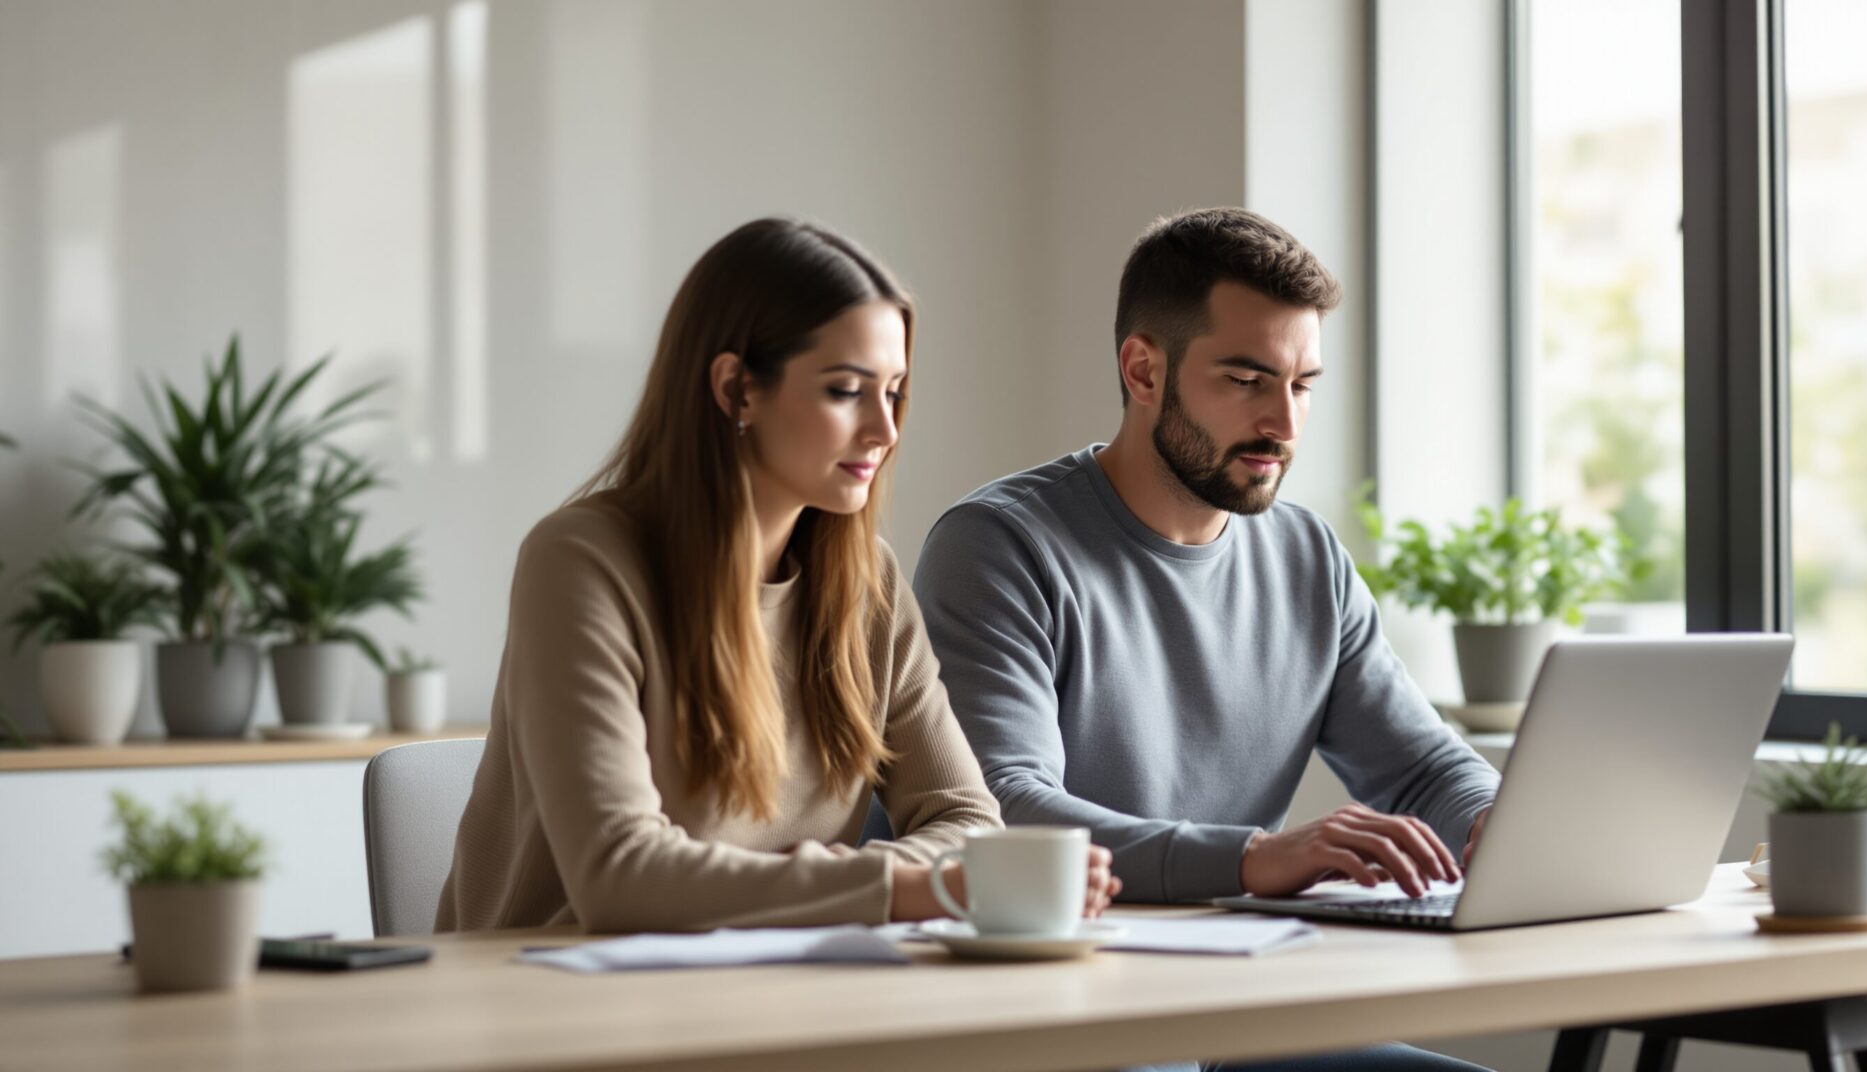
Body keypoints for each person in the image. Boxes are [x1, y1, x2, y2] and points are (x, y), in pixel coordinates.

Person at [913, 208, 1498, 1071]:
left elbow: (1419, 769)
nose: (1285, 426)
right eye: (1247, 380)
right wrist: (1255, 859)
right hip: (1053, 1019)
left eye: (1301, 385)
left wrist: (1494, 823)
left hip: (1230, 1011)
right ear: (1143, 369)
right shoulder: (998, 545)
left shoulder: (1307, 557)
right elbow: (1005, 808)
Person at [438, 217, 1117, 934]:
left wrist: (849, 883)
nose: (884, 431)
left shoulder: (868, 584)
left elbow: (967, 817)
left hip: (776, 993)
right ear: (736, 390)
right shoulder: (581, 563)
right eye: (846, 390)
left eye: (894, 392)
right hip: (558, 1011)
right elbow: (619, 876)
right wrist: (907, 885)